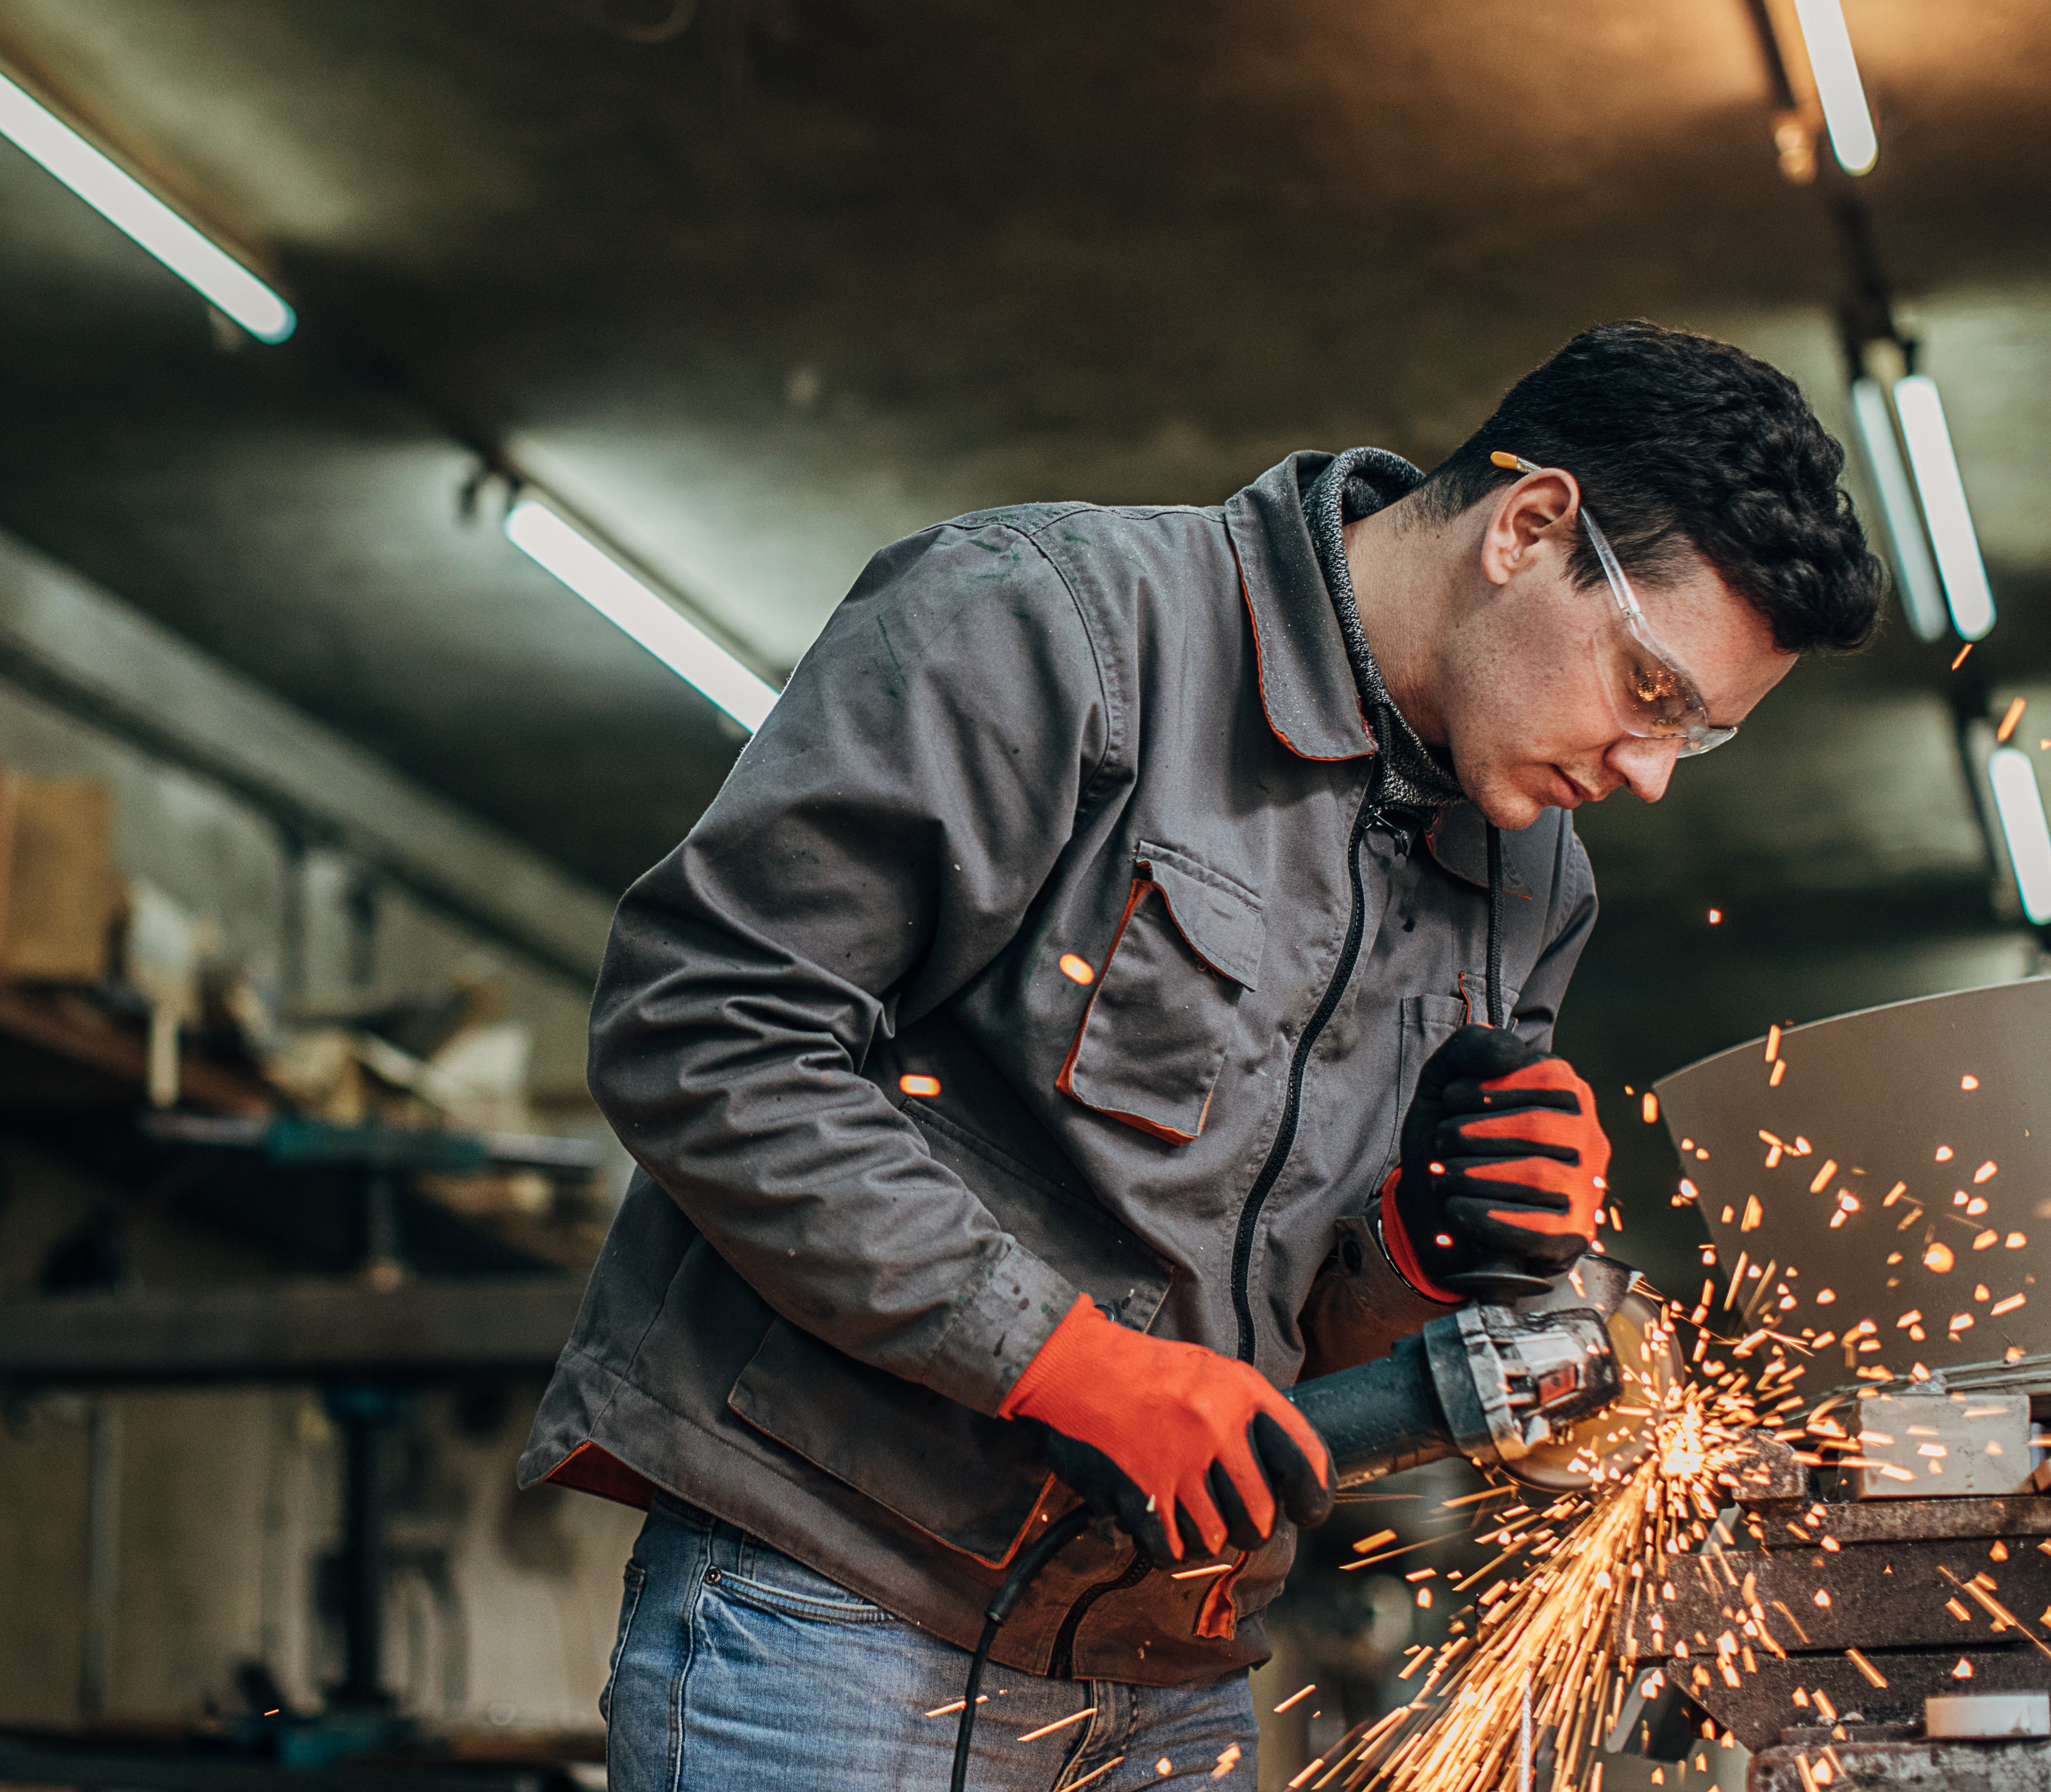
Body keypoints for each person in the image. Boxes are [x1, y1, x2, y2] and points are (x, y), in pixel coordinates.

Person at [522, 321, 1882, 1791]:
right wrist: (1065, 1365)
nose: (1651, 773)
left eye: (1704, 735)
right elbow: (705, 1028)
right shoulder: (1052, 626)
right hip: (838, 1608)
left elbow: (1315, 1334)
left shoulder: (1531, 880)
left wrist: (1430, 1249)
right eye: (1654, 689)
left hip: (1163, 1668)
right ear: (1532, 526)